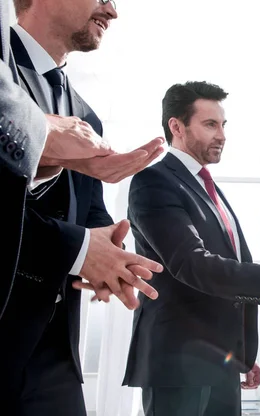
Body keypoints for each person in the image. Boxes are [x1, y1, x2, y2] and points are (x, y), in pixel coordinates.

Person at [123, 81, 260, 416]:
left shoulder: (208, 188)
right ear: (176, 126)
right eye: (210, 124)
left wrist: (240, 353)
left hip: (219, 363)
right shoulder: (154, 182)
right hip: (178, 365)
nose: (222, 135)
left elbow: (231, 271)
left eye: (223, 125)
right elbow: (193, 264)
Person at [0, 0, 165, 414]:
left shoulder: (87, 113)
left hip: (56, 356)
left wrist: (112, 252)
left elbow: (87, 211)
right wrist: (79, 250)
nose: (112, 10)